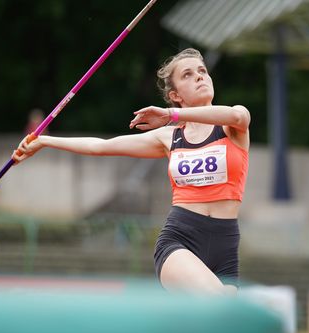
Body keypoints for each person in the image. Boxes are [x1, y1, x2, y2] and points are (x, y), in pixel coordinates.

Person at [13, 48, 250, 295]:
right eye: (188, 74)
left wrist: (170, 114)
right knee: (222, 304)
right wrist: (45, 142)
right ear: (175, 94)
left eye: (202, 71)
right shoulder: (169, 138)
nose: (200, 76)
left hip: (225, 244)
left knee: (221, 328)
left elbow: (235, 114)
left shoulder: (232, 124)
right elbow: (101, 146)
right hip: (180, 241)